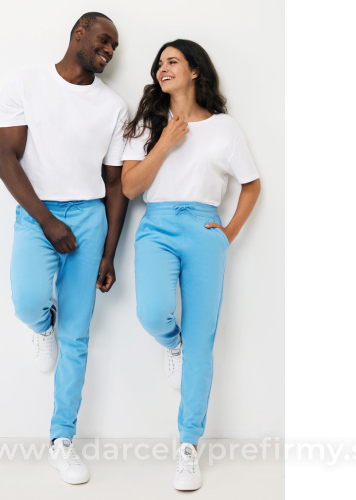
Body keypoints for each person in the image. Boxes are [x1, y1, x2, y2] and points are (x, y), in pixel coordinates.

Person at [0, 12, 128, 485]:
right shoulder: (25, 83)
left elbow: (115, 184)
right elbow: (5, 159)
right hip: (38, 212)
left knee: (77, 335)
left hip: (90, 217)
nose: (108, 51)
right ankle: (41, 323)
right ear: (78, 33)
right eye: (103, 40)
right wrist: (48, 221)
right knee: (27, 299)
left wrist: (109, 252)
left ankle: (61, 440)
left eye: (114, 47)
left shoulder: (113, 105)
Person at [122, 39, 261, 491]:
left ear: (195, 70)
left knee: (203, 342)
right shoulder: (148, 123)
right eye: (159, 64)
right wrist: (164, 142)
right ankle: (172, 343)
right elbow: (129, 187)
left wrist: (228, 232)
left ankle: (188, 446)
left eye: (173, 61)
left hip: (204, 230)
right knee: (152, 312)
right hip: (157, 226)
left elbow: (251, 184)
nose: (162, 69)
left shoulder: (224, 128)